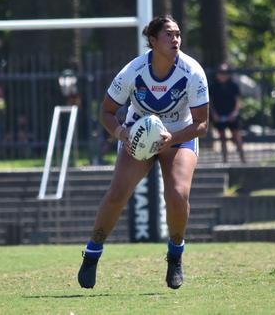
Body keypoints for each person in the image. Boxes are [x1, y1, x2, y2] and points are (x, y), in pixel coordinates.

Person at [77, 15, 209, 290]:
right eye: (169, 35)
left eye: (178, 35)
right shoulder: (133, 71)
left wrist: (172, 138)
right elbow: (106, 112)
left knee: (177, 194)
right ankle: (92, 253)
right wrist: (122, 133)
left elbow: (202, 124)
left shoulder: (192, 71)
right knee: (117, 193)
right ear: (152, 40)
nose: (175, 39)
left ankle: (175, 255)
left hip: (179, 134)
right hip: (137, 133)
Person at [209, 63, 246, 163]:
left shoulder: (234, 86)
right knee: (222, 138)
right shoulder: (213, 86)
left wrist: (235, 113)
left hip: (232, 115)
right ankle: (225, 160)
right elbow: (210, 102)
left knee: (236, 136)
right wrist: (214, 114)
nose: (222, 75)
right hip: (219, 115)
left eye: (225, 72)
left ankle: (243, 159)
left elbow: (238, 101)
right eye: (220, 72)